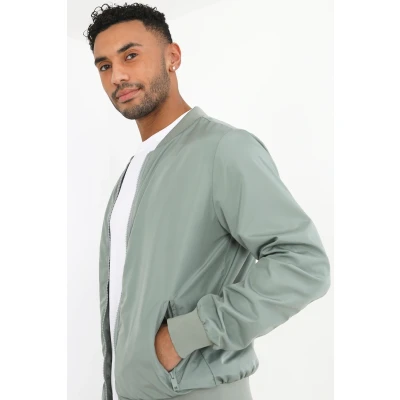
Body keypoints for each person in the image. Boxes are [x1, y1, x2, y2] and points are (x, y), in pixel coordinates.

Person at [83, 3, 331, 400]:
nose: (118, 76)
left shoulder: (223, 149)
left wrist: (183, 335)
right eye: (104, 66)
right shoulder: (131, 173)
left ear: (172, 57)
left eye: (130, 56)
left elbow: (304, 264)